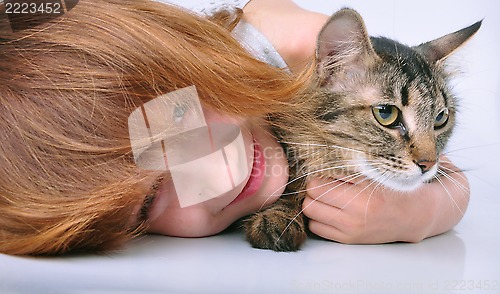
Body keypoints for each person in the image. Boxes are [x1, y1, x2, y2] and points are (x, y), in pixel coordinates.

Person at [0, 0, 469, 256]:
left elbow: (441, 169)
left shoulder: (287, 46)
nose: (219, 176)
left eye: (175, 123)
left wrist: (423, 213)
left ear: (195, 59)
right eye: (146, 204)